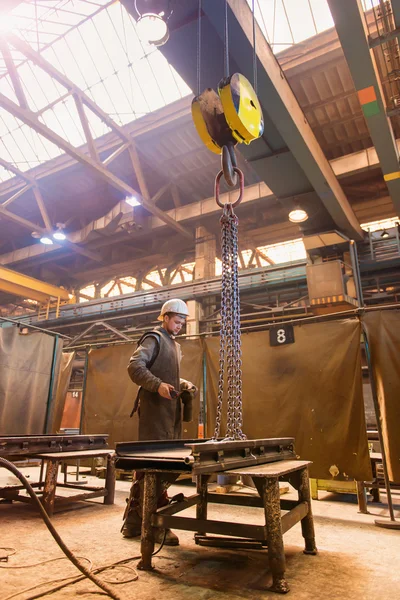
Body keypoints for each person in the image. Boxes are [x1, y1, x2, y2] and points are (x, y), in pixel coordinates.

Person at [122, 298, 198, 545]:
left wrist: (182, 384)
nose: (179, 326)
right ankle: (155, 525)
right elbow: (135, 368)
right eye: (176, 321)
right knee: (156, 465)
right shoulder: (153, 338)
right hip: (155, 414)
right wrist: (156, 386)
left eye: (182, 323)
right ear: (165, 317)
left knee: (152, 468)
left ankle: (133, 522)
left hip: (170, 415)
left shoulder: (175, 347)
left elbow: (168, 376)